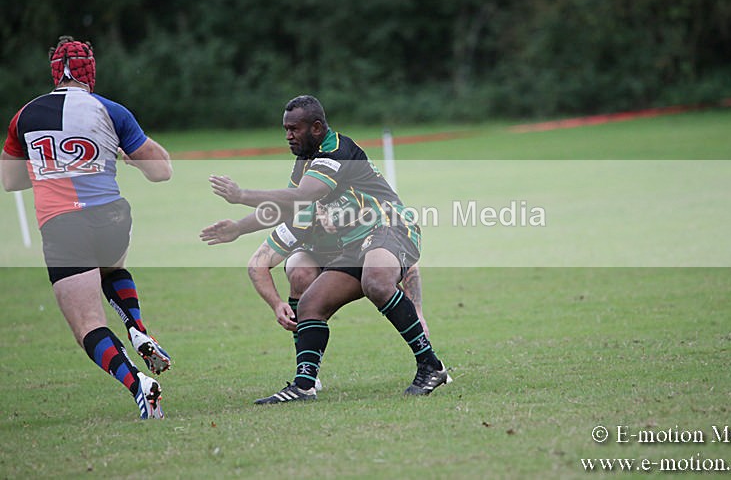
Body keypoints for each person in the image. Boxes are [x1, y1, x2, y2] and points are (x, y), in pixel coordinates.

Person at [201, 95, 449, 402]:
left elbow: (306, 193)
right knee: (309, 305)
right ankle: (304, 386)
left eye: (294, 128)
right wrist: (240, 227)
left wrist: (242, 194)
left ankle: (431, 366)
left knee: (376, 280)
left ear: (316, 128)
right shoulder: (305, 162)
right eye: (285, 128)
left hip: (390, 225)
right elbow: (293, 207)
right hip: (355, 243)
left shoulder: (335, 152)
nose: (288, 135)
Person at [1, 36, 173, 419]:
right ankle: (137, 327)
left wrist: (51, 169)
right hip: (112, 218)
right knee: (110, 268)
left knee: (88, 328)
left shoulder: (24, 115)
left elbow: (10, 180)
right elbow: (162, 171)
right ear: (90, 71)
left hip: (63, 226)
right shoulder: (110, 110)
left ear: (53, 71)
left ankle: (139, 385)